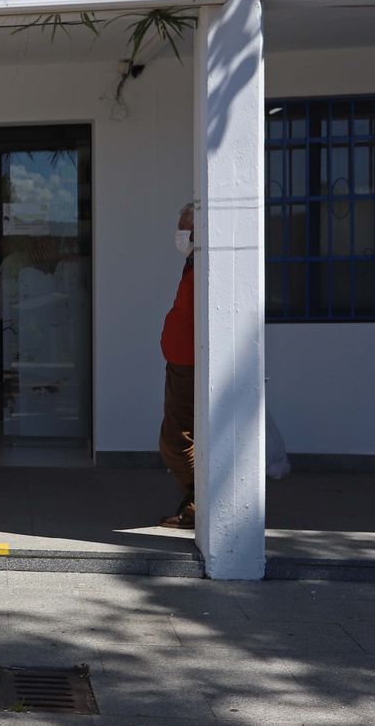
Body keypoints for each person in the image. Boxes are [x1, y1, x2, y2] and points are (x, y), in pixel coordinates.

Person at [158, 202, 198, 529]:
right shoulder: (194, 262)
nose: (180, 232)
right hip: (180, 361)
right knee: (179, 438)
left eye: (184, 225)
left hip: (190, 364)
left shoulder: (206, 266)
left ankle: (201, 501)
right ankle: (194, 504)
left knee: (175, 441)